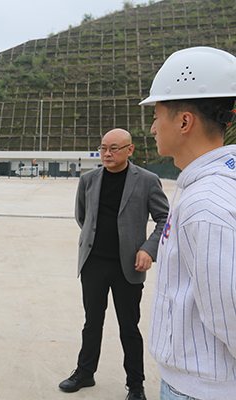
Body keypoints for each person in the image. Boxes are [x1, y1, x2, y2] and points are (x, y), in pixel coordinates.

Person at [140, 46, 236, 400]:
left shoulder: (206, 204)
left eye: (157, 116)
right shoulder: (207, 187)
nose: (152, 127)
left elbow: (230, 312)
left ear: (184, 122)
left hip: (201, 389)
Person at [59, 128, 169, 400]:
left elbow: (165, 220)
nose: (107, 153)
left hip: (128, 266)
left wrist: (148, 249)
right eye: (103, 148)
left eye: (114, 148)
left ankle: (136, 385)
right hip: (93, 263)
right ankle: (85, 372)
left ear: (130, 150)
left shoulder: (147, 181)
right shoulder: (88, 179)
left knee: (129, 327)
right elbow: (82, 217)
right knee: (92, 322)